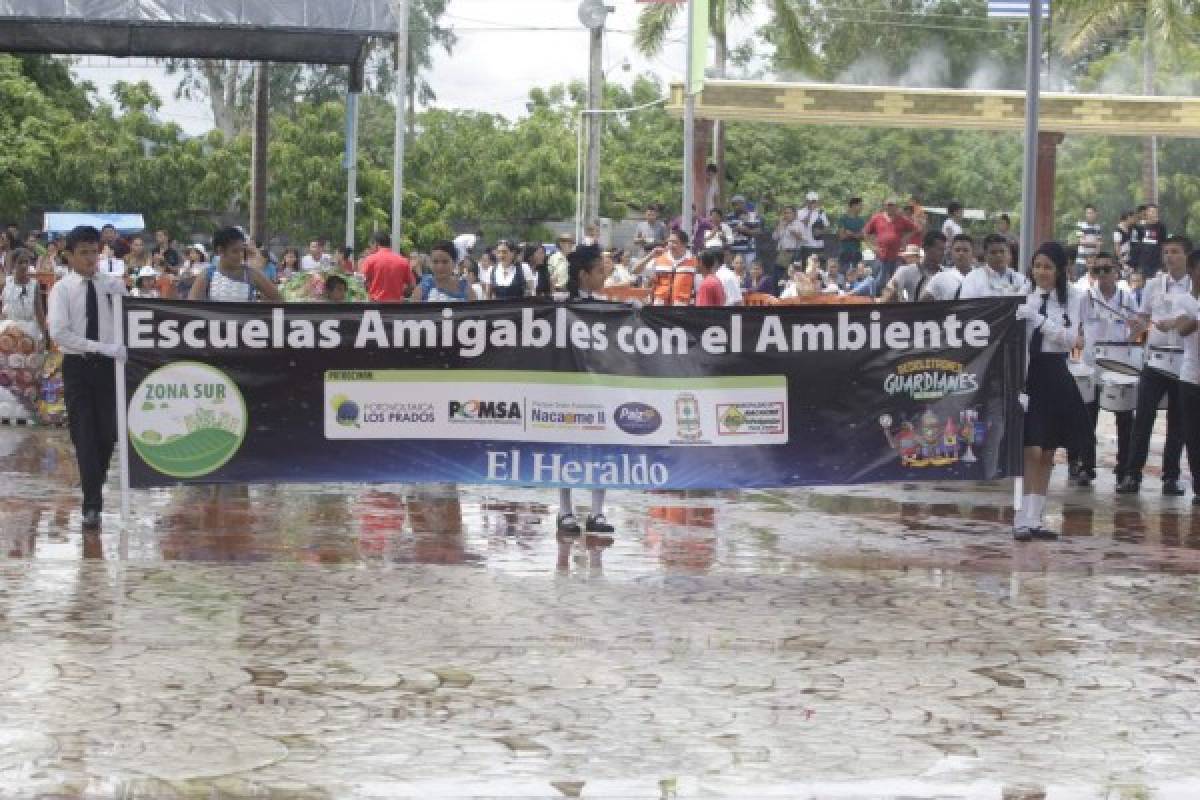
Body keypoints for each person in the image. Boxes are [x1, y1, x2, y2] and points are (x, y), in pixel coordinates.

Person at [46, 226, 129, 529]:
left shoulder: (113, 284)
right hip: (78, 367)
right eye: (83, 253)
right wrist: (100, 346)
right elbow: (59, 333)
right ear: (69, 255)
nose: (90, 258)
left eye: (94, 251)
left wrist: (116, 347)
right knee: (84, 433)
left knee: (107, 435)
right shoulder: (62, 289)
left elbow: (128, 318)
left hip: (108, 367)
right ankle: (91, 505)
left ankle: (95, 479)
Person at [1013, 241, 1089, 540]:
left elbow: (1071, 339)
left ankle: (1036, 519)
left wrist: (1040, 320)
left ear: (1059, 270)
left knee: (1047, 451)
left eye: (1047, 267)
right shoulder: (1024, 297)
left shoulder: (1072, 298)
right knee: (1029, 449)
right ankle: (1021, 516)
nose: (1041, 272)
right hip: (1030, 375)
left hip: (1056, 374)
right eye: (1037, 266)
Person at [1117, 234, 1192, 496]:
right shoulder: (1153, 285)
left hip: (1184, 362)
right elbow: (1142, 317)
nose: (1169, 257)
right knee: (1143, 420)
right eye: (1166, 252)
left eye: (1175, 251)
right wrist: (1135, 326)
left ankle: (1171, 477)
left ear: (1187, 256)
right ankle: (1132, 474)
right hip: (1155, 360)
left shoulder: (1195, 286)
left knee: (1178, 424)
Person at [558, 244, 615, 535]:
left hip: (597, 386)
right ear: (583, 274)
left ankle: (597, 512)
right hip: (569, 388)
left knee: (600, 448)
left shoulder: (604, 306)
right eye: (599, 271)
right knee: (566, 448)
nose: (604, 275)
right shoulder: (561, 306)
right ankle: (565, 511)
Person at [1070, 251, 1138, 488]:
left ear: (1117, 272)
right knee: (1088, 418)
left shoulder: (1127, 297)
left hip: (1121, 366)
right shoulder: (1085, 297)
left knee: (1125, 420)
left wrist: (1136, 331)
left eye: (1106, 270)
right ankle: (1086, 467)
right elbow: (1075, 328)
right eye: (1096, 270)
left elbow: (1137, 330)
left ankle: (1124, 470)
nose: (1101, 275)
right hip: (1092, 366)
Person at [1162, 249, 1200, 506]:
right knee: (1193, 435)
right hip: (1191, 377)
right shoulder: (1184, 301)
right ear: (1193, 270)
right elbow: (1183, 329)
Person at [188, 227, 283, 302]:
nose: (240, 255)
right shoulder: (207, 275)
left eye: (242, 250)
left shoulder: (252, 274)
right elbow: (192, 308)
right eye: (235, 251)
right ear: (220, 251)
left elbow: (279, 299)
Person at [864, 197, 920, 296]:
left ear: (896, 207)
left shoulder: (901, 219)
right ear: (885, 206)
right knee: (879, 280)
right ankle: (874, 299)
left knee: (895, 280)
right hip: (881, 255)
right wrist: (873, 247)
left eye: (892, 205)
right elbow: (865, 233)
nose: (890, 207)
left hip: (896, 255)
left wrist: (905, 239)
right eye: (888, 205)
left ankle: (892, 299)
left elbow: (915, 228)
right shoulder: (877, 218)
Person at [958, 233, 1030, 299]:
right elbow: (966, 307)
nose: (998, 255)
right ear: (985, 256)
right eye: (993, 252)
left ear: (1009, 254)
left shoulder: (1020, 279)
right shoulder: (972, 278)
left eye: (1002, 251)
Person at [882, 231, 947, 303]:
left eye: (944, 250)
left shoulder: (947, 274)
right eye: (939, 249)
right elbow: (886, 296)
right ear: (926, 248)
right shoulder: (905, 271)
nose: (943, 253)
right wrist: (891, 295)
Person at [2, 249, 48, 342]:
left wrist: (44, 336)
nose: (24, 266)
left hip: (29, 330)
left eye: (26, 262)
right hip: (9, 329)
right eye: (20, 262)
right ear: (14, 264)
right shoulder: (6, 282)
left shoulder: (34, 285)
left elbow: (39, 312)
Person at [642, 229, 697, 306]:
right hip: (659, 308)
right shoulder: (659, 259)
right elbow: (635, 271)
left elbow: (698, 289)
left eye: (674, 242)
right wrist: (650, 256)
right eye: (669, 241)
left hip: (682, 309)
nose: (670, 244)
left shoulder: (694, 262)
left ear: (684, 244)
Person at [360, 231, 415, 302]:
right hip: (395, 306)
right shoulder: (403, 261)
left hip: (375, 306)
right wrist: (402, 293)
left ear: (376, 244)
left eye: (370, 246)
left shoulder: (370, 260)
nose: (370, 249)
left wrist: (368, 290)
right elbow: (412, 285)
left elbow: (359, 282)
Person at [922, 234, 976, 301]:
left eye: (965, 250)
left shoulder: (982, 277)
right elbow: (923, 304)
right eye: (957, 250)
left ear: (973, 253)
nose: (961, 253)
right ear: (951, 253)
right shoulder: (940, 278)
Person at [726, 195, 762, 267]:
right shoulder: (729, 217)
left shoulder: (752, 216)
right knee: (736, 271)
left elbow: (758, 231)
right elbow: (726, 233)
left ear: (744, 204)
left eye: (740, 204)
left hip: (749, 250)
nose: (737, 206)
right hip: (734, 250)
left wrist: (747, 230)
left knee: (749, 271)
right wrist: (735, 229)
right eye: (735, 205)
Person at [797, 192, 829, 267]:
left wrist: (821, 231)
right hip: (806, 246)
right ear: (806, 201)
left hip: (819, 246)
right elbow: (803, 224)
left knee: (820, 267)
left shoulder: (821, 213)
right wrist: (810, 212)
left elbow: (827, 227)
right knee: (806, 267)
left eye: (814, 201)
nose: (812, 203)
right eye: (811, 201)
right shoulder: (800, 212)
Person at [1135, 203, 1167, 280]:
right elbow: (1138, 243)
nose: (1152, 214)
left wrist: (1163, 262)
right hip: (1143, 261)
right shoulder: (1140, 227)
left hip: (1156, 261)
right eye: (1151, 211)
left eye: (1154, 212)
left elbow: (1163, 244)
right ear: (1146, 212)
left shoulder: (1161, 226)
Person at [837, 197, 866, 278]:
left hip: (857, 252)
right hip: (845, 252)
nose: (861, 207)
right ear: (853, 205)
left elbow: (863, 236)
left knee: (857, 275)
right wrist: (856, 235)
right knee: (843, 274)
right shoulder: (843, 219)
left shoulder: (861, 220)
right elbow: (841, 236)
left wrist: (850, 234)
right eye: (860, 205)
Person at [1073, 204, 1103, 280]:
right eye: (1087, 213)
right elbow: (1081, 242)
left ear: (1095, 214)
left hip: (1093, 262)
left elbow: (1099, 245)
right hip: (1081, 261)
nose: (1089, 215)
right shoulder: (1080, 225)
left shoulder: (1098, 227)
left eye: (1091, 213)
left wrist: (1095, 257)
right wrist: (1095, 243)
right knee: (1079, 283)